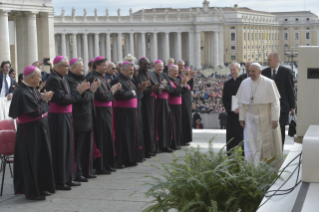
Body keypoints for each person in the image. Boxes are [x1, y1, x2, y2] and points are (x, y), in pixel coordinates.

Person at [9, 66, 55, 200]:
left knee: (41, 158)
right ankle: (32, 192)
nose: (41, 79)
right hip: (29, 132)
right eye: (40, 77)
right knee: (32, 160)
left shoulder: (31, 89)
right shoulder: (22, 92)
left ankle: (41, 187)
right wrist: (45, 100)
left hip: (37, 129)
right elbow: (36, 111)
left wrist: (43, 98)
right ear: (32, 77)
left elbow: (37, 105)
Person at [46, 56, 90, 190]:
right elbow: (62, 99)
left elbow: (68, 97)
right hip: (57, 118)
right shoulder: (53, 79)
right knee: (61, 148)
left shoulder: (62, 77)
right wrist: (78, 92)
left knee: (68, 148)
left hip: (66, 116)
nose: (68, 68)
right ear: (58, 67)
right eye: (66, 66)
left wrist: (74, 94)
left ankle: (68, 177)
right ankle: (60, 180)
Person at [236, 62, 282, 167]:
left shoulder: (269, 83)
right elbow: (242, 103)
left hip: (265, 116)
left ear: (260, 72)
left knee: (265, 143)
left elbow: (275, 103)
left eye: (253, 71)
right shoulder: (245, 83)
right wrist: (241, 118)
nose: (251, 73)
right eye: (249, 71)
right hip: (250, 118)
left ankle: (265, 167)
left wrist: (275, 119)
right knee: (250, 142)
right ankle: (251, 166)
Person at [66, 58, 101, 181]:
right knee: (79, 148)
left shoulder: (81, 79)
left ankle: (87, 171)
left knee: (88, 147)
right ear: (73, 67)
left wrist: (89, 92)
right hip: (79, 118)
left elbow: (86, 96)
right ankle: (78, 172)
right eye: (81, 67)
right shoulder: (69, 80)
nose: (83, 68)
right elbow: (80, 98)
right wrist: (92, 91)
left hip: (88, 117)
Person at [87, 56, 121, 172]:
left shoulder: (102, 77)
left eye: (107, 65)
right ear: (97, 66)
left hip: (106, 111)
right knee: (101, 138)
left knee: (107, 138)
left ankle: (107, 163)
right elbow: (101, 96)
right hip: (99, 112)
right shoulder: (93, 78)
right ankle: (100, 166)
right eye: (104, 65)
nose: (106, 67)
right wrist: (113, 90)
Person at [262, 52, 295, 148]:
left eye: (269, 60)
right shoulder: (264, 73)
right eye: (267, 60)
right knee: (269, 131)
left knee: (280, 131)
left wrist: (292, 107)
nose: (267, 62)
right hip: (267, 107)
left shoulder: (286, 72)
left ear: (277, 60)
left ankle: (279, 151)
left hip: (282, 107)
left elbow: (290, 90)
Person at [113, 61, 140, 167]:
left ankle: (131, 158)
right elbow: (118, 95)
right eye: (130, 70)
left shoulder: (130, 80)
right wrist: (131, 93)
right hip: (122, 112)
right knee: (123, 136)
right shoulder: (117, 79)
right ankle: (121, 160)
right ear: (123, 70)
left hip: (131, 112)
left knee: (132, 135)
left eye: (132, 70)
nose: (132, 72)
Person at [150, 60, 174, 153]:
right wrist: (160, 87)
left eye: (162, 66)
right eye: (159, 66)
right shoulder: (151, 75)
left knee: (166, 124)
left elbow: (171, 89)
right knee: (156, 124)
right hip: (155, 103)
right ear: (154, 66)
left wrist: (163, 87)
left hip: (165, 102)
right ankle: (156, 146)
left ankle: (165, 145)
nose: (160, 68)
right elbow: (153, 89)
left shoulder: (165, 76)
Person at [222, 62, 244, 153]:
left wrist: (241, 109)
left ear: (239, 70)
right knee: (231, 137)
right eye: (231, 70)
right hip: (232, 114)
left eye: (234, 70)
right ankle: (231, 154)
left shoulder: (244, 82)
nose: (232, 72)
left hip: (243, 115)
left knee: (242, 136)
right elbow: (225, 99)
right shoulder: (227, 83)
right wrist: (231, 109)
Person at [167, 65, 188, 150]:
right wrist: (182, 85)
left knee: (178, 124)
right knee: (173, 125)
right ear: (169, 72)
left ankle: (178, 142)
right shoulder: (168, 80)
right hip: (172, 105)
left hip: (179, 105)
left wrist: (184, 85)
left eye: (177, 71)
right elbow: (173, 92)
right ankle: (173, 144)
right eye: (174, 71)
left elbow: (182, 91)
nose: (176, 72)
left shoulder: (178, 80)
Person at [132, 65, 150, 161]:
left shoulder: (133, 81)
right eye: (134, 70)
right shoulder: (131, 81)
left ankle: (140, 154)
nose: (135, 72)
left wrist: (141, 90)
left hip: (137, 108)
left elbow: (138, 95)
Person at [177, 60, 195, 146]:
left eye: (182, 65)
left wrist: (190, 78)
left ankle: (186, 139)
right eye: (180, 65)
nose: (181, 67)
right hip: (181, 100)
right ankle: (181, 139)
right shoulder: (177, 76)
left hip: (187, 100)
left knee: (187, 118)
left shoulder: (183, 75)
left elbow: (190, 87)